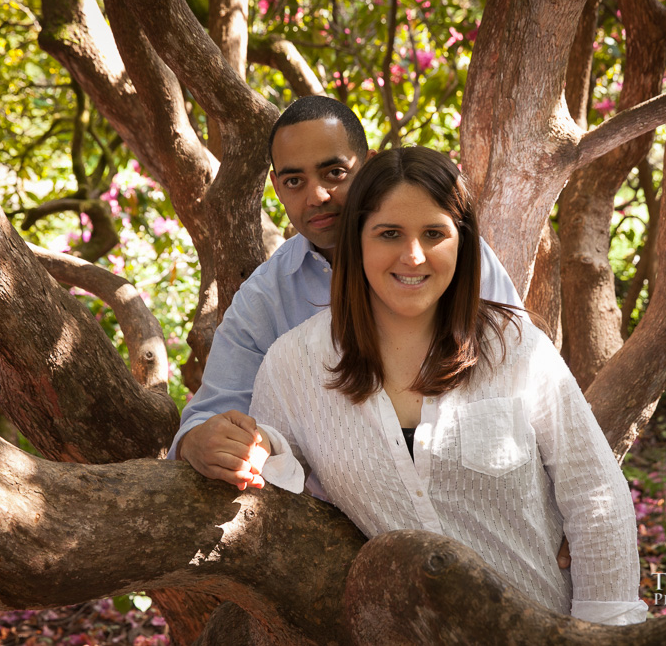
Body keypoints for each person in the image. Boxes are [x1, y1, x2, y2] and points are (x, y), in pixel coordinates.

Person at [250, 147, 647, 625]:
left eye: (434, 233)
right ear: (356, 242)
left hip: (549, 629)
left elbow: (595, 496)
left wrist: (602, 634)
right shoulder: (292, 366)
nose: (413, 255)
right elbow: (268, 481)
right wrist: (237, 445)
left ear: (463, 242)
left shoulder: (514, 347)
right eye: (389, 233)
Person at [170, 96, 521, 491]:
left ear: (368, 166)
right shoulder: (265, 298)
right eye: (294, 181)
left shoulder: (444, 256)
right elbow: (210, 417)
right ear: (276, 187)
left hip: (481, 494)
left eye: (334, 172)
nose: (316, 195)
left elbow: (525, 377)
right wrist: (199, 441)